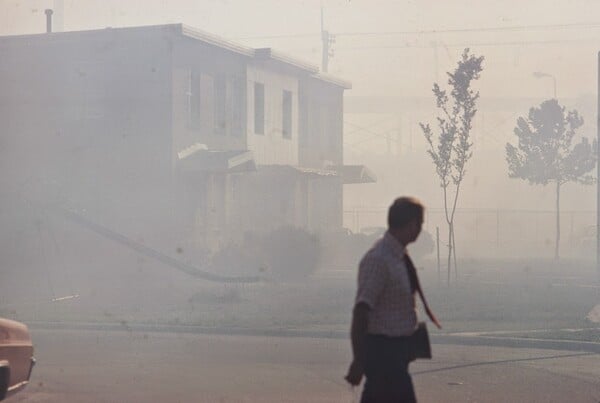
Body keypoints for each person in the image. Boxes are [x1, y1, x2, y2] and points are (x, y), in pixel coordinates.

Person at [345, 196, 442, 403]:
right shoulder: (380, 259)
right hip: (383, 355)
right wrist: (359, 360)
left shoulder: (398, 256)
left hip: (397, 354)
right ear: (411, 224)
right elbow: (361, 311)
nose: (420, 229)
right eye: (420, 223)